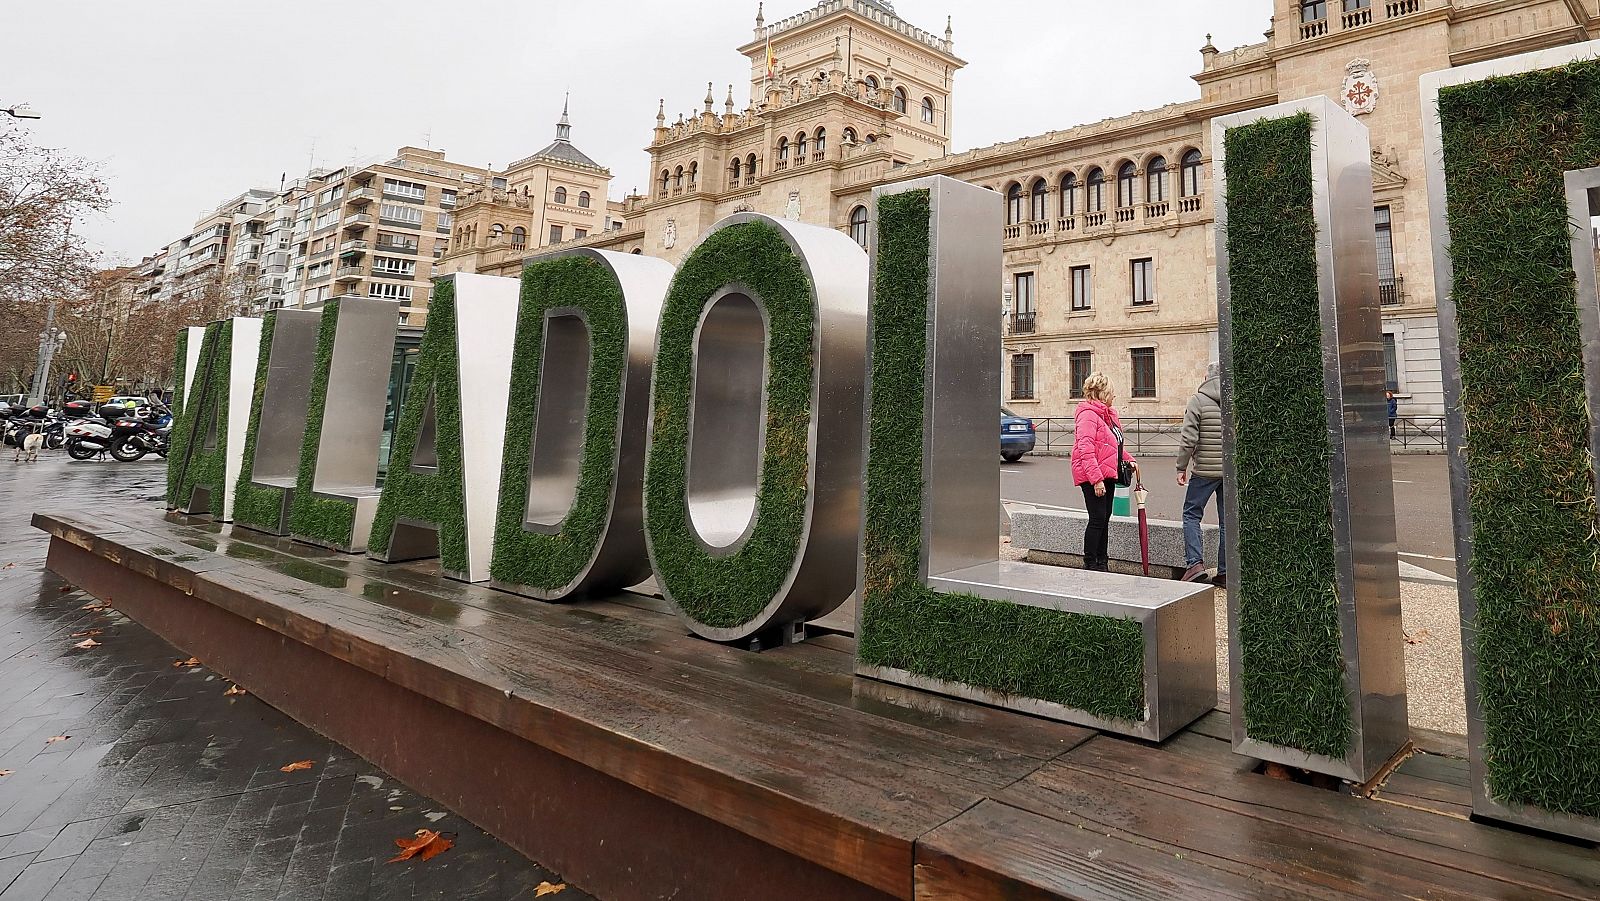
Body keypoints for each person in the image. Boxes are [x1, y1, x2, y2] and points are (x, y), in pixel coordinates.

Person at [1071, 373, 1136, 572]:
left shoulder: (1108, 414)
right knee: (1097, 518)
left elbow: (1113, 444)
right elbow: (1085, 448)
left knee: (1104, 517)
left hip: (1108, 473)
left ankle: (1102, 563)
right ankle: (1091, 563)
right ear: (1102, 393)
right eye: (1111, 392)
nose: (1114, 396)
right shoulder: (1088, 414)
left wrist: (1129, 459)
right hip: (1093, 475)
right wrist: (1096, 480)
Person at [1176, 363, 1226, 587]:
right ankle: (1225, 572)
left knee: (1191, 514)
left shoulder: (1198, 399)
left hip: (1204, 470)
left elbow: (1188, 439)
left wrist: (1181, 467)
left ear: (1206, 377)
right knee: (1227, 522)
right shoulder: (1232, 399)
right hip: (1228, 472)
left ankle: (1195, 564)